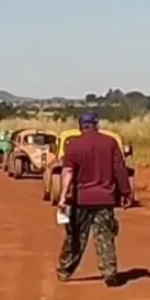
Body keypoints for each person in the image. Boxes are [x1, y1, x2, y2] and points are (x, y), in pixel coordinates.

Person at [56, 112, 132, 287]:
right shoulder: (110, 143)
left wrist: (62, 198)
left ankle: (64, 270)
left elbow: (68, 172)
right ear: (96, 124)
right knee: (105, 237)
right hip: (105, 199)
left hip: (80, 200)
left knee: (75, 237)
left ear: (81, 126)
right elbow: (120, 170)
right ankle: (109, 272)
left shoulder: (73, 146)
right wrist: (126, 194)